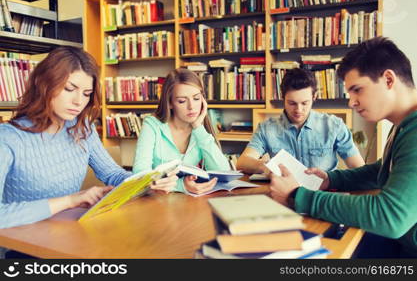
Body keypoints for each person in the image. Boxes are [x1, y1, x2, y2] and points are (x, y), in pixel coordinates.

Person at [0, 46, 178, 230]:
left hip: (68, 234)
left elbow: (113, 174)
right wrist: (69, 201)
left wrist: (148, 184)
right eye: (69, 89)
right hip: (23, 245)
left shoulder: (82, 128)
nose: (79, 101)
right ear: (44, 84)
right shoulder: (7, 138)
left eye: (86, 94)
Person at [270, 37, 417, 257]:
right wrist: (331, 179)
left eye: (357, 90)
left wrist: (297, 195)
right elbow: (382, 169)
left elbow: (390, 217)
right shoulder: (404, 125)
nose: (351, 102)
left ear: (388, 79)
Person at [236, 68, 364, 174]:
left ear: (314, 97)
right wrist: (266, 167)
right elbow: (242, 162)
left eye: (304, 103)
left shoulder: (334, 126)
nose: (298, 110)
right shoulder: (267, 128)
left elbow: (359, 169)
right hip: (283, 195)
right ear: (283, 98)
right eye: (292, 103)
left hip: (323, 195)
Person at [132, 68, 230, 195]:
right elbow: (140, 175)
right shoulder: (152, 125)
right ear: (170, 103)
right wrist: (181, 185)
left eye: (196, 98)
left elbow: (223, 172)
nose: (191, 106)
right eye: (182, 101)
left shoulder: (200, 130)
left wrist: (198, 128)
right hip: (157, 203)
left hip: (190, 204)